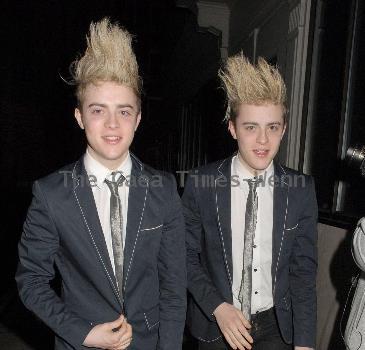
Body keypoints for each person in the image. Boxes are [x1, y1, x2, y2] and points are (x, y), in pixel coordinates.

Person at [16, 18, 186, 350]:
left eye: (123, 111)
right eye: (98, 110)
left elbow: (173, 287)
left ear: (137, 118)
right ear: (79, 116)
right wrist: (83, 332)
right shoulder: (51, 194)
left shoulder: (163, 189)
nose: (111, 124)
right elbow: (31, 282)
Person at [182, 54, 317, 350]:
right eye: (250, 127)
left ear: (283, 128)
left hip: (277, 328)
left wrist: (305, 342)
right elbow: (184, 256)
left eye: (272, 127)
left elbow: (303, 271)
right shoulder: (202, 183)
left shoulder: (301, 189)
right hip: (217, 325)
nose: (262, 140)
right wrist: (218, 307)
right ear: (233, 128)